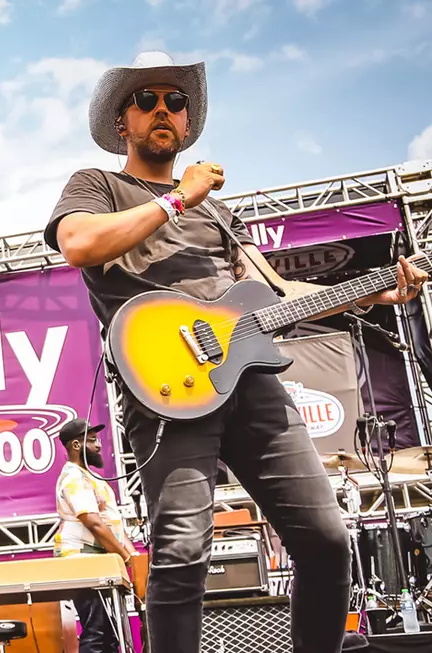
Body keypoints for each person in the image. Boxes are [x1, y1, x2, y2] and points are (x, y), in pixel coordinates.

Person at [44, 51, 429, 653]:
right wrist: (177, 200)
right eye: (146, 101)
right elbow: (78, 244)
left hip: (250, 381)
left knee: (327, 540)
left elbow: (278, 294)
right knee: (182, 549)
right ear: (124, 122)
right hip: (169, 383)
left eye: (175, 100)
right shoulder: (98, 185)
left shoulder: (220, 214)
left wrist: (380, 288)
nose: (163, 109)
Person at [54, 419, 140, 653]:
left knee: (110, 633)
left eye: (97, 439)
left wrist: (134, 558)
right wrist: (125, 556)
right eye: (91, 440)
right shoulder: (74, 477)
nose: (98, 445)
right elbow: (92, 522)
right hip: (81, 562)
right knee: (97, 629)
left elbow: (112, 526)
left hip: (97, 564)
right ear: (75, 445)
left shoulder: (89, 477)